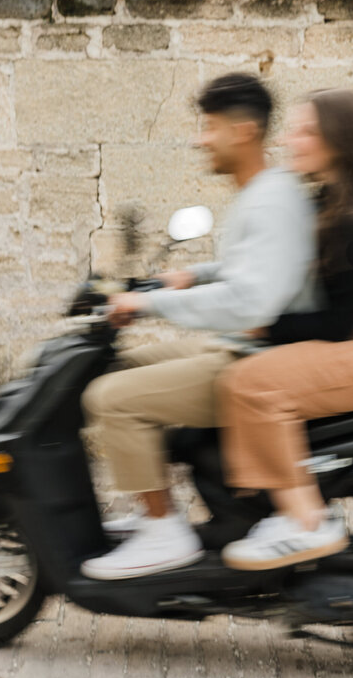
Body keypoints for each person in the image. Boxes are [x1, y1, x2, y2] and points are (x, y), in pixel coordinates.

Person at [79, 73, 318, 581]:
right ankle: (153, 507)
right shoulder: (262, 192)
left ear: (244, 131)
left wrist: (152, 305)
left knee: (112, 398)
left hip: (251, 365)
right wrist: (191, 275)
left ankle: (166, 531)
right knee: (118, 366)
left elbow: (251, 301)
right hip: (234, 352)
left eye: (209, 127)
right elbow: (252, 270)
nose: (199, 139)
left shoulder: (272, 200)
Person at [216, 88, 353, 572]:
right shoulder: (330, 198)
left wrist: (265, 329)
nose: (291, 139)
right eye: (294, 128)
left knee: (254, 384)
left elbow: (339, 323)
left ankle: (305, 519)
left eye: (306, 130)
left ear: (339, 140)